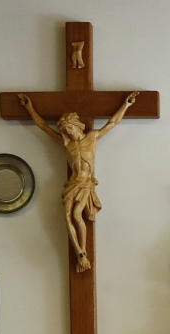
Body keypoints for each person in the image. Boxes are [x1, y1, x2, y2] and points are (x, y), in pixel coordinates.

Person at [18, 91, 139, 272]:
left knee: (76, 214)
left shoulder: (92, 137)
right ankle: (80, 253)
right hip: (72, 184)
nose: (69, 133)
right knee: (67, 217)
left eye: (70, 129)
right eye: (65, 131)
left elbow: (112, 123)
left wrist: (126, 104)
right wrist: (30, 108)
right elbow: (43, 126)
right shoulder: (66, 144)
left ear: (78, 126)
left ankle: (83, 253)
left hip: (86, 185)